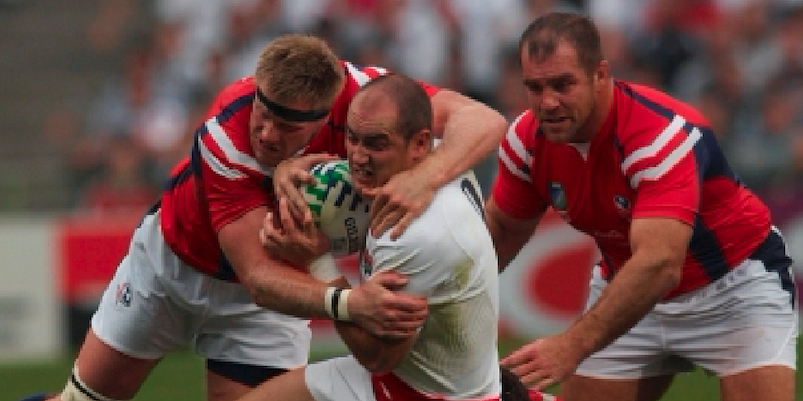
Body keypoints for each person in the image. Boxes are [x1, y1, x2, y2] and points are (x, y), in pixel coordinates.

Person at [24, 34, 507, 401]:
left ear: (326, 116)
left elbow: (484, 120)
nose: (268, 134)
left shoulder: (360, 97)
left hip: (261, 307)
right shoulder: (225, 137)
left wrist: (425, 178)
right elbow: (257, 273)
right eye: (264, 111)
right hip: (171, 267)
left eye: (289, 124)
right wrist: (347, 302)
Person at [487, 12, 797, 401]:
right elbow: (499, 234)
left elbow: (660, 263)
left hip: (734, 287)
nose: (548, 102)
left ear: (601, 74)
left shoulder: (659, 135)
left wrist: (572, 344)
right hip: (630, 289)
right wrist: (432, 306)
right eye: (535, 88)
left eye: (563, 84)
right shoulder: (526, 141)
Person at [239, 72, 530, 401]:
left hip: (423, 392)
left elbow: (377, 356)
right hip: (415, 373)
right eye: (352, 138)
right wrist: (285, 167)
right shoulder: (437, 155)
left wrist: (316, 260)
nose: (358, 158)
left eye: (376, 143)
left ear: (418, 143)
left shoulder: (414, 233)